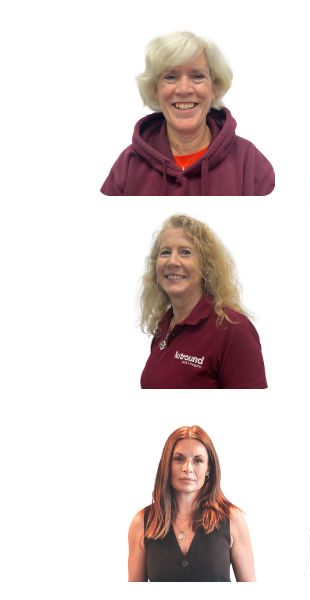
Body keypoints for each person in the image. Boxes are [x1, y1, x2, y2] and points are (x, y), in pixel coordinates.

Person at [102, 31, 275, 195]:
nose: (184, 89)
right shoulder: (128, 164)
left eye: (197, 76)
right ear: (156, 90)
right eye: (170, 77)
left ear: (213, 89)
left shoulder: (249, 160)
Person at [139, 214, 267, 389]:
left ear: (206, 266)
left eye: (185, 252)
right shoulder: (164, 327)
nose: (172, 261)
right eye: (165, 252)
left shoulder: (233, 328)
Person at [127, 425, 256, 582]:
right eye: (179, 459)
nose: (187, 468)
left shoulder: (231, 519)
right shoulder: (142, 522)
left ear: (209, 468)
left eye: (198, 460)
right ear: (166, 464)